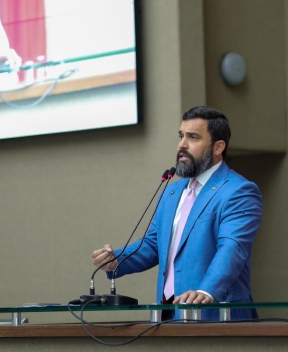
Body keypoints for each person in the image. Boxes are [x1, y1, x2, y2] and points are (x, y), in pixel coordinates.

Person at [92, 106, 263, 321]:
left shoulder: (238, 191)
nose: (182, 145)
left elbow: (232, 249)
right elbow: (152, 244)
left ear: (218, 147)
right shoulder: (172, 191)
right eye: (181, 136)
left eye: (193, 137)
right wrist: (117, 260)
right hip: (169, 314)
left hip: (218, 313)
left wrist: (206, 291)